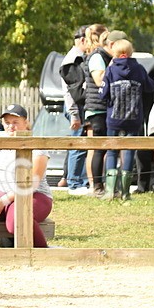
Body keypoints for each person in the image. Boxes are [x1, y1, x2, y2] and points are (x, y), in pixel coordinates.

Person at [0, 104, 54, 248]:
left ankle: (42, 252)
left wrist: (4, 200)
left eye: (15, 122)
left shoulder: (37, 146)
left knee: (17, 220)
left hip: (33, 194)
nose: (10, 126)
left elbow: (32, 183)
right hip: (1, 190)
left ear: (26, 123)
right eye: (7, 122)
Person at [98, 38, 154, 200]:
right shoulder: (139, 69)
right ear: (131, 52)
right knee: (129, 150)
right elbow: (150, 87)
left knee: (111, 151)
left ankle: (110, 191)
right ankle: (125, 192)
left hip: (114, 117)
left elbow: (102, 94)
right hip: (134, 117)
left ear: (115, 53)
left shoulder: (111, 70)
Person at [79, 24, 111, 195]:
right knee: (98, 148)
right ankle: (96, 185)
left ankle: (97, 185)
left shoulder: (96, 55)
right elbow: (99, 80)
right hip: (98, 108)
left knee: (97, 148)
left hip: (97, 107)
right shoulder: (97, 57)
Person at [59, 26, 91, 195]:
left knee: (82, 143)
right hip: (75, 107)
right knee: (78, 144)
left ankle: (80, 181)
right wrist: (74, 114)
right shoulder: (73, 59)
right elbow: (70, 92)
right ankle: (74, 183)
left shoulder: (77, 57)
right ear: (83, 40)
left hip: (77, 107)